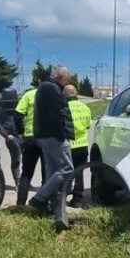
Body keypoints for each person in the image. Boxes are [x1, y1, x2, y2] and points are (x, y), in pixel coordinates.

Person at [27, 65, 75, 230]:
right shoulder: (52, 89)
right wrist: (62, 134)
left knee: (53, 172)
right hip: (53, 136)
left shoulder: (44, 87)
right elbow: (56, 115)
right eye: (66, 79)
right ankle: (38, 199)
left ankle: (56, 209)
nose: (66, 83)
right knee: (67, 168)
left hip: (43, 136)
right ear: (61, 77)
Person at [14, 84, 47, 206]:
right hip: (46, 137)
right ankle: (43, 203)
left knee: (27, 172)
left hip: (29, 138)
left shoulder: (28, 95)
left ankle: (20, 203)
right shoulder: (51, 95)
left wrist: (21, 132)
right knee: (46, 172)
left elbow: (17, 115)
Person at [64, 84, 92, 208]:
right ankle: (77, 199)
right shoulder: (85, 107)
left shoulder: (64, 108)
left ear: (65, 94)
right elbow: (87, 126)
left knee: (66, 172)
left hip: (68, 146)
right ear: (76, 93)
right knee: (79, 173)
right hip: (82, 145)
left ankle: (62, 197)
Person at [0, 88, 23, 185]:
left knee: (28, 159)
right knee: (16, 158)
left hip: (22, 134)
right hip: (10, 136)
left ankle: (25, 180)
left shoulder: (19, 105)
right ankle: (17, 180)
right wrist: (6, 135)